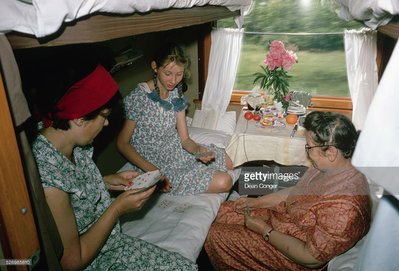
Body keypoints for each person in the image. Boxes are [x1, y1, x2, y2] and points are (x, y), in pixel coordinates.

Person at [32, 63, 198, 271]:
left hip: (113, 244)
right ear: (79, 118)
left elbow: (73, 190)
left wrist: (107, 181)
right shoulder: (47, 174)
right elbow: (70, 262)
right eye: (104, 115)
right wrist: (117, 208)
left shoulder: (70, 143)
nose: (107, 123)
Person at [204, 111, 371, 271]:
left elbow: (310, 259)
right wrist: (256, 202)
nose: (308, 152)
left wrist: (264, 230)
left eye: (309, 147)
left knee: (213, 234)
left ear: (332, 152)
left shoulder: (345, 207)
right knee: (214, 212)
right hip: (283, 218)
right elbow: (298, 190)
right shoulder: (330, 166)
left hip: (291, 254)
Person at [117, 43, 234, 196]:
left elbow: (185, 141)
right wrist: (155, 173)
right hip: (156, 163)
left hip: (178, 151)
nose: (173, 80)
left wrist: (198, 151)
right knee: (225, 182)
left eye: (179, 74)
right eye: (168, 73)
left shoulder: (175, 94)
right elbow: (122, 143)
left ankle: (265, 188)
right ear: (155, 67)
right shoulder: (138, 97)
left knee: (229, 161)